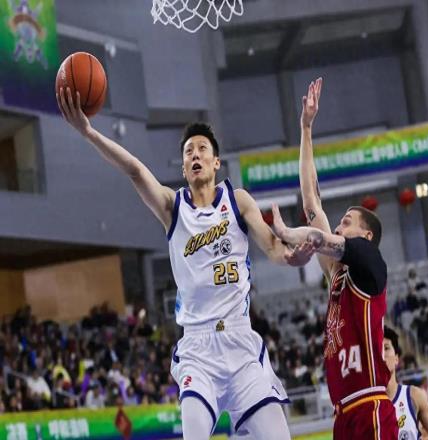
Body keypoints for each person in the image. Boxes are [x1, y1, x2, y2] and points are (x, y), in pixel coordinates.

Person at [56, 88, 314, 440]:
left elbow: (274, 248)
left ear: (216, 162)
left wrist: (293, 256)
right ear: (183, 167)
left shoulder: (237, 201)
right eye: (188, 151)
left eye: (202, 149)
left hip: (240, 341)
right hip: (199, 349)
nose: (195, 155)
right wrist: (88, 132)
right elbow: (135, 170)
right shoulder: (172, 206)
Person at [271, 78, 398, 439]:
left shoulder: (371, 264)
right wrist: (306, 128)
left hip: (370, 405)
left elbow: (317, 236)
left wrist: (286, 233)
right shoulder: (336, 273)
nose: (339, 226)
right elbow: (311, 202)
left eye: (347, 221)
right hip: (343, 415)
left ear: (366, 235)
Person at [383, 326, 428, 439]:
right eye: (378, 350)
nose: (382, 355)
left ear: (396, 358)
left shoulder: (414, 395)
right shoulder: (365, 406)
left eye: (386, 348)